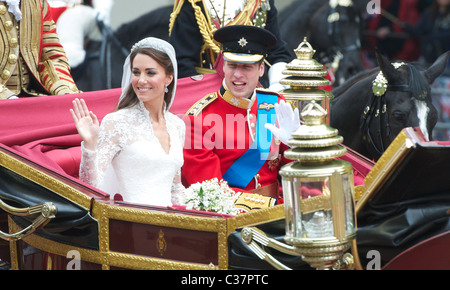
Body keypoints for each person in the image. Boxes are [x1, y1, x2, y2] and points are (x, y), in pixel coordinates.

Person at [182, 25, 300, 201]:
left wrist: (296, 148)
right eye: (232, 65)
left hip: (279, 215)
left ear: (261, 69)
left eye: (247, 67)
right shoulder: (199, 118)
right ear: (224, 66)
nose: (237, 74)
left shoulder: (276, 105)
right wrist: (271, 206)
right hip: (232, 221)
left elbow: (295, 177)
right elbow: (211, 193)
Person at [70, 37, 185, 207]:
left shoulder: (177, 125)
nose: (141, 80)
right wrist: (90, 145)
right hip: (130, 223)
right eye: (136, 72)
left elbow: (175, 189)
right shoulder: (116, 122)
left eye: (150, 73)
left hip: (170, 226)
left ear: (169, 78)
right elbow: (92, 188)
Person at [168, 0, 294, 91]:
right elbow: (182, 60)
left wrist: (276, 88)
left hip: (256, 91)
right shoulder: (195, 4)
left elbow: (277, 52)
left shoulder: (261, 2)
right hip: (207, 92)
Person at [0, 0, 80, 99]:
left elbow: (50, 56)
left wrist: (62, 88)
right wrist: (6, 97)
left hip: (32, 95)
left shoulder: (37, 3)